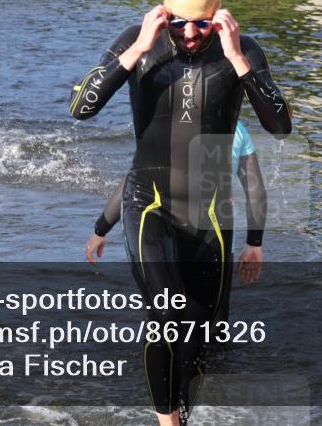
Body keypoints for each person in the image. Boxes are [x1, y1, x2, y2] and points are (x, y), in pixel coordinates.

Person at [71, 0, 291, 425]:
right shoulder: (138, 41)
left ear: (219, 16)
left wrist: (236, 59)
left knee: (202, 330)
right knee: (170, 311)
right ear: (164, 12)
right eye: (179, 21)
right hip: (149, 204)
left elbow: (281, 124)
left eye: (202, 22)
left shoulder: (242, 49)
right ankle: (165, 421)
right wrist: (136, 51)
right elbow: (81, 108)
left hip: (209, 214)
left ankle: (183, 416)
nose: (190, 32)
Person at [88, 121, 269, 326]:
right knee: (214, 326)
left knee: (164, 316)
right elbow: (256, 191)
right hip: (216, 240)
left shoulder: (167, 123)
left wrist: (101, 228)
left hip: (166, 237)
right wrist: (254, 243)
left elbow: (135, 181)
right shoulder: (238, 129)